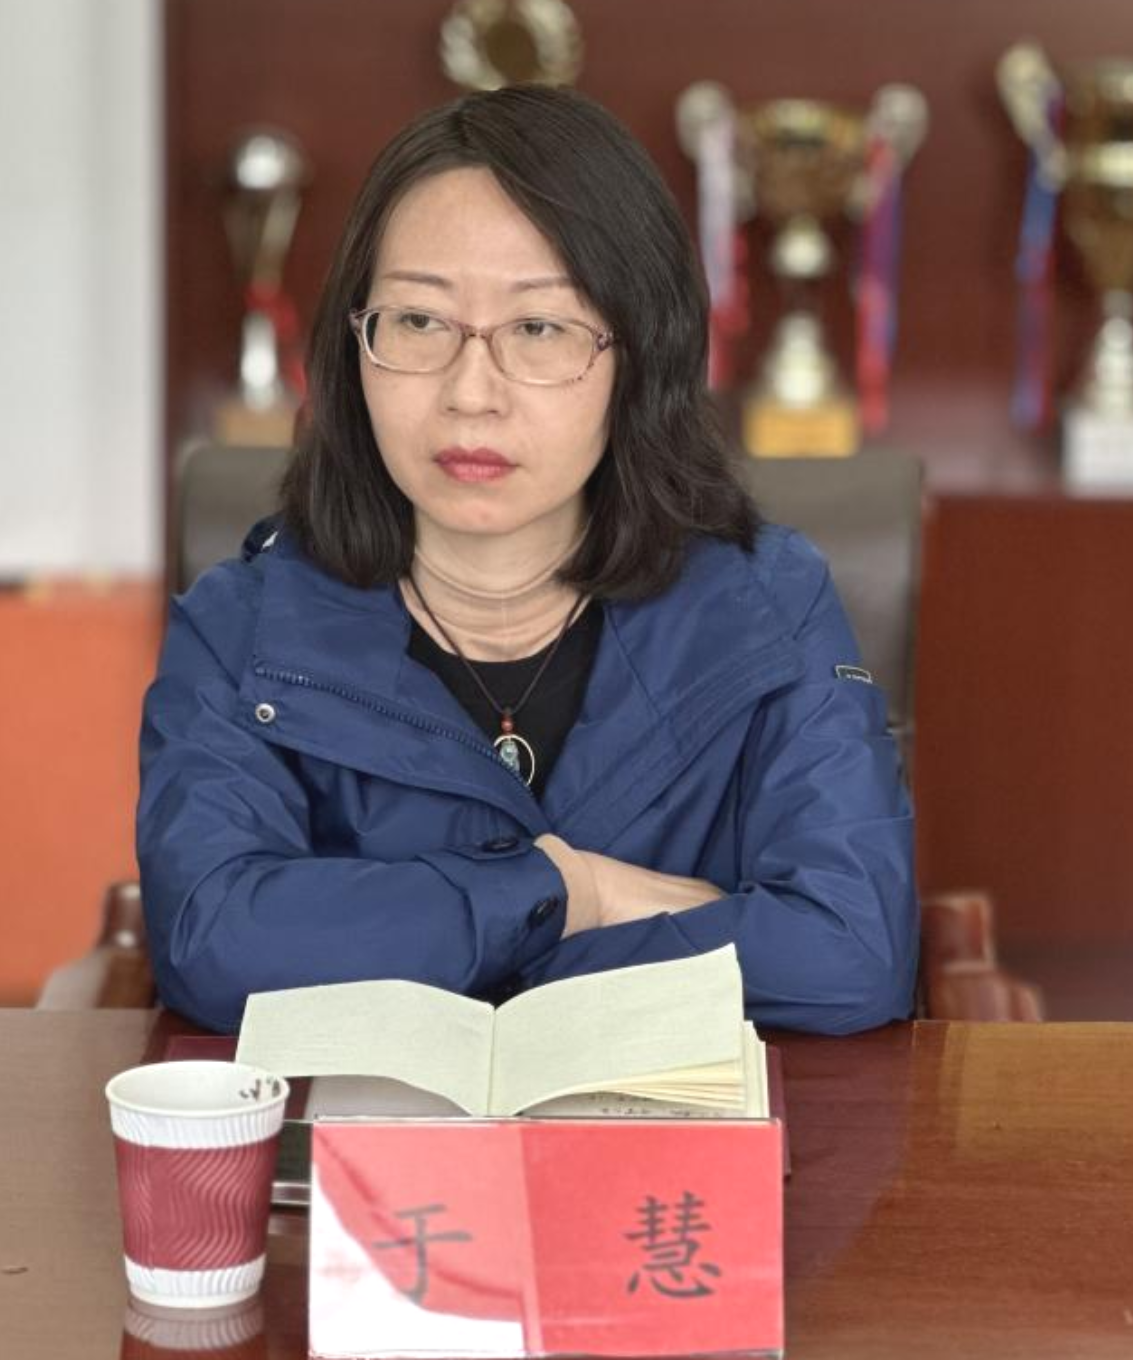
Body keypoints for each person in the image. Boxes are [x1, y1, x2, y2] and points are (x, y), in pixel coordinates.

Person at [138, 85, 916, 1036]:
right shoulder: (242, 629)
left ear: (640, 354)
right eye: (419, 322)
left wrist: (423, 942)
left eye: (539, 329)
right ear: (353, 347)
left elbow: (850, 954)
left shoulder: (766, 604)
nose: (472, 394)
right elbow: (215, 944)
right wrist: (566, 892)